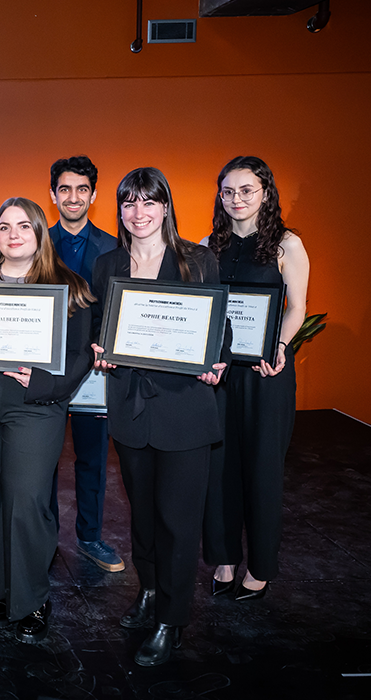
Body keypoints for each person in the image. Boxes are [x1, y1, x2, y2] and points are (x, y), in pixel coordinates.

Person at [90, 167, 230, 667]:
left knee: (178, 519)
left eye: (149, 202)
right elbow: (97, 329)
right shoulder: (107, 264)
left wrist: (217, 357)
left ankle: (172, 618)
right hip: (130, 408)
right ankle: (148, 590)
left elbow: (221, 326)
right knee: (143, 514)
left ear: (166, 206)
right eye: (129, 203)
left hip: (185, 412)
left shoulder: (197, 260)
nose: (139, 213)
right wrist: (99, 350)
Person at [0, 198, 94, 644]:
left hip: (35, 407)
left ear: (40, 233)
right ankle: (6, 592)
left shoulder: (68, 285)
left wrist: (42, 382)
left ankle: (33, 598)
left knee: (27, 500)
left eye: (23, 226)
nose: (13, 234)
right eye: (4, 226)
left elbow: (81, 355)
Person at [202, 156, 309, 600]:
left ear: (265, 192)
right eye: (228, 191)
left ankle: (261, 569)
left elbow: (297, 307)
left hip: (267, 374)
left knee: (263, 471)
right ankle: (225, 560)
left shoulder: (287, 244)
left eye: (246, 190)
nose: (236, 199)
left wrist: (279, 347)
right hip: (222, 377)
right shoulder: (208, 244)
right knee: (219, 468)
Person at [46, 156, 124, 572]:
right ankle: (46, 539)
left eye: (81, 189)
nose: (72, 197)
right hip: (46, 367)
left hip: (95, 369)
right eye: (64, 189)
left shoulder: (114, 247)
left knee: (93, 457)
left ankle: (91, 536)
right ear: (53, 194)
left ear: (93, 195)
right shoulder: (36, 241)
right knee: (43, 457)